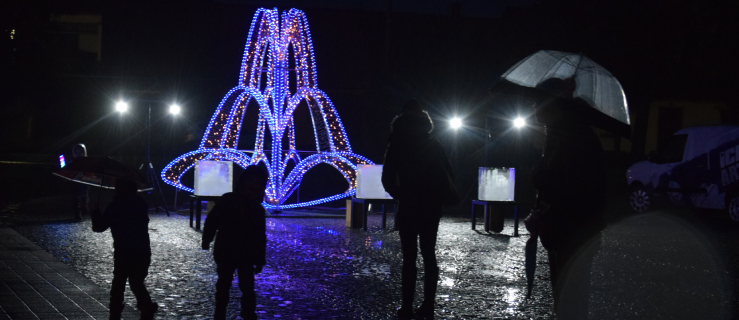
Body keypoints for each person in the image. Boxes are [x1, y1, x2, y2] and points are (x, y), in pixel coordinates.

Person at [525, 98, 606, 319]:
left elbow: (563, 183)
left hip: (572, 226)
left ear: (555, 108)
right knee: (569, 288)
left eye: (538, 103)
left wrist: (538, 176)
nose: (533, 108)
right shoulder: (565, 136)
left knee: (570, 288)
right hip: (572, 225)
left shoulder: (569, 139)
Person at [382, 99, 454, 319]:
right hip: (431, 204)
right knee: (429, 254)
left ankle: (406, 306)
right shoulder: (432, 142)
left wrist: (401, 195)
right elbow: (448, 173)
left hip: (409, 205)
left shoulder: (397, 143)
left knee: (409, 258)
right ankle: (428, 306)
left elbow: (387, 178)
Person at [202, 166, 269, 320]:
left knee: (246, 287)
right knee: (225, 285)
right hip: (227, 251)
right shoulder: (229, 200)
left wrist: (259, 259)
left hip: (245, 254)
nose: (253, 185)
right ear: (243, 182)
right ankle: (221, 313)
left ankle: (246, 314)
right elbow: (213, 220)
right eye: (251, 181)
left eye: (256, 183)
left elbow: (259, 236)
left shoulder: (256, 208)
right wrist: (207, 238)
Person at [91, 179, 158, 320]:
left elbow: (99, 227)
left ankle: (115, 312)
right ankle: (147, 308)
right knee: (137, 282)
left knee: (119, 283)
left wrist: (96, 212)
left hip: (123, 250)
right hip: (142, 249)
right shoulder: (141, 205)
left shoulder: (116, 206)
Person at [72, 143, 89, 221]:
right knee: (76, 198)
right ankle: (78, 213)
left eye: (80, 152)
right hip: (76, 182)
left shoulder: (86, 162)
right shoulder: (74, 161)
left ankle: (84, 208)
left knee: (84, 196)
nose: (79, 154)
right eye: (77, 152)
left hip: (84, 181)